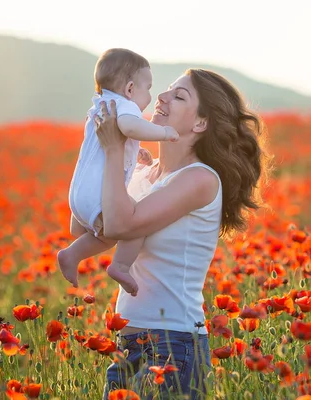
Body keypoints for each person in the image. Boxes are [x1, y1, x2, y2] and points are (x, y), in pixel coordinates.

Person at [95, 68, 271, 399]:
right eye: (167, 90)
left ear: (201, 123)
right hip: (128, 343)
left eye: (179, 96)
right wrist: (105, 156)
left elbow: (121, 225)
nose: (161, 98)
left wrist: (114, 149)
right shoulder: (149, 174)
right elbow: (93, 226)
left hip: (172, 345)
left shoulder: (200, 180)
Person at [58, 48, 179, 296]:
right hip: (98, 195)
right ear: (130, 89)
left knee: (97, 227)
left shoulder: (100, 107)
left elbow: (113, 145)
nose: (151, 95)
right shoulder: (125, 107)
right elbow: (129, 127)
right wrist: (164, 134)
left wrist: (137, 154)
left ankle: (78, 236)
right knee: (135, 221)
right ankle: (118, 266)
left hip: (79, 193)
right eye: (148, 88)